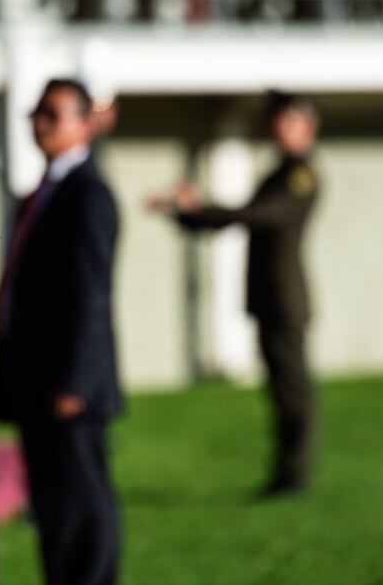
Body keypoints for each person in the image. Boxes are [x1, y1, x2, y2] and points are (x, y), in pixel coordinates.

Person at [150, 92, 321, 497]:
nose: (278, 127)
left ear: (308, 127)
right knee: (280, 391)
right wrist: (187, 215)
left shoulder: (301, 176)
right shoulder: (278, 173)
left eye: (288, 120)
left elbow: (259, 216)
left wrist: (201, 209)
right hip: (268, 297)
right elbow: (243, 217)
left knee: (293, 391)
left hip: (284, 299)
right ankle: (285, 473)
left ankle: (296, 475)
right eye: (277, 119)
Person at [0, 79, 123, 585]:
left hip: (68, 387)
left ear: (86, 124)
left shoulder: (88, 193)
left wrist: (74, 381)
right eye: (36, 113)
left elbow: (91, 296)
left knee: (82, 505)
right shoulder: (44, 191)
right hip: (36, 380)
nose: (39, 123)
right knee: (52, 508)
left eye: (53, 114)